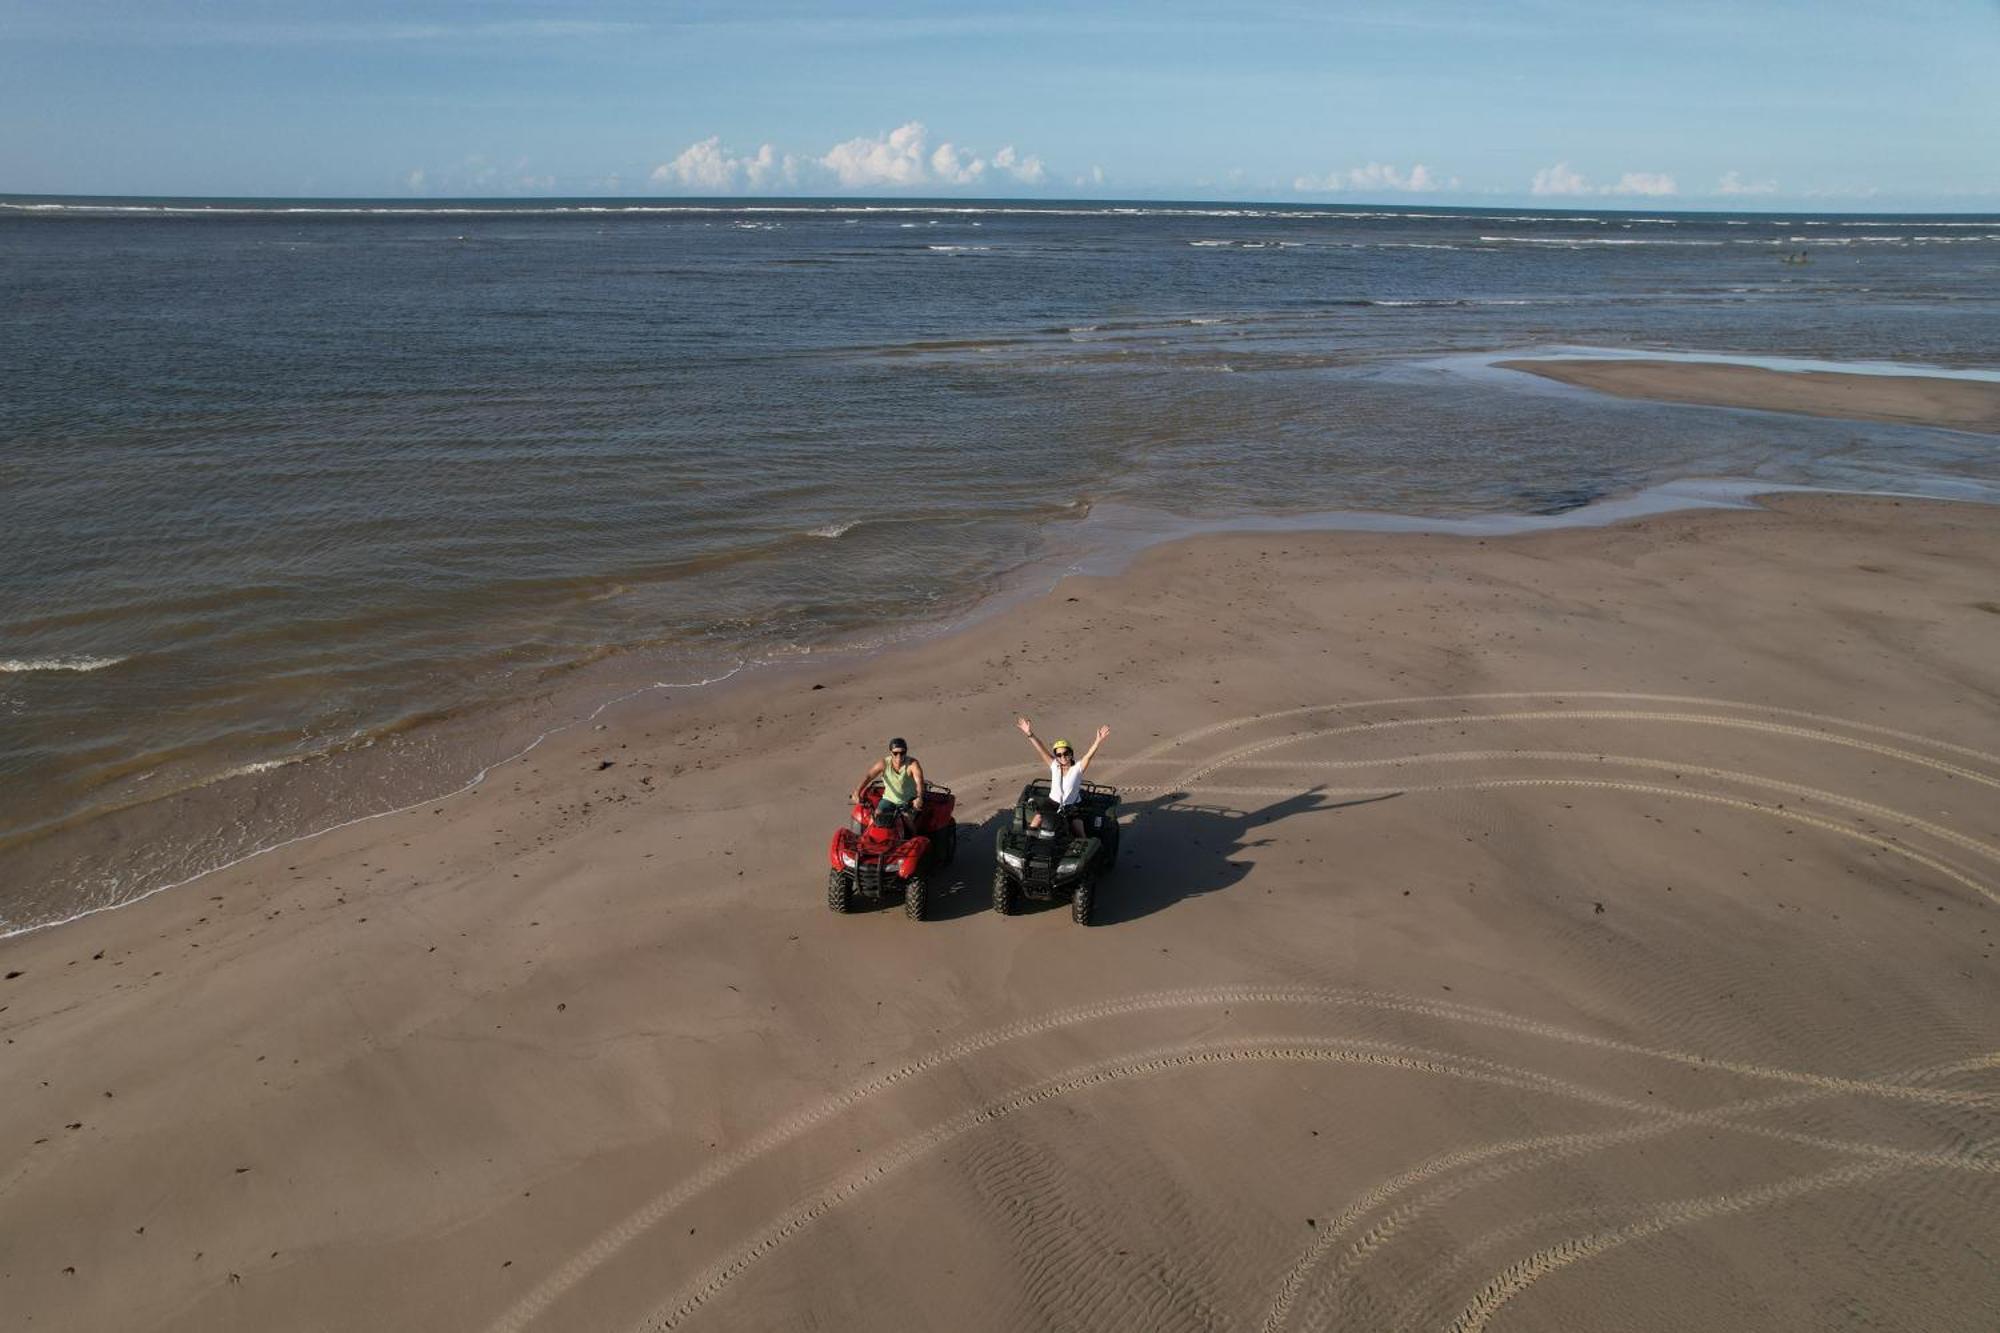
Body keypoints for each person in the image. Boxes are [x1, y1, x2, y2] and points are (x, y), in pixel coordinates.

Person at [1015, 716, 1110, 838]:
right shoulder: (1054, 765)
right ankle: (1028, 844)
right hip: (1052, 803)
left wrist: (1098, 741)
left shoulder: (1078, 768)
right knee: (1036, 820)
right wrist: (1029, 733)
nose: (1063, 757)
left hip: (1072, 806)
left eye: (1066, 753)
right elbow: (1041, 748)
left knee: (1078, 828)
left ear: (1071, 753)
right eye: (1059, 754)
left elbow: (1088, 756)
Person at [853, 737, 925, 831]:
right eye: (895, 753)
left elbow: (919, 782)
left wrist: (919, 797)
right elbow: (868, 776)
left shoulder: (912, 764)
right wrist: (857, 792)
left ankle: (915, 839)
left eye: (902, 753)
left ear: (906, 752)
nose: (899, 756)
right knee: (874, 819)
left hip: (908, 801)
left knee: (907, 821)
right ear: (890, 752)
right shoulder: (884, 763)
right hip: (889, 800)